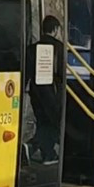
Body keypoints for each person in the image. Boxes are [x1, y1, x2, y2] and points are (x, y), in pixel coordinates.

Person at [26, 15, 66, 164]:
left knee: (42, 122)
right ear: (55, 29)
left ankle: (45, 152)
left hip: (35, 94)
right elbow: (62, 74)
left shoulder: (31, 49)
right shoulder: (59, 47)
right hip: (53, 93)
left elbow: (27, 73)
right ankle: (35, 148)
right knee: (54, 124)